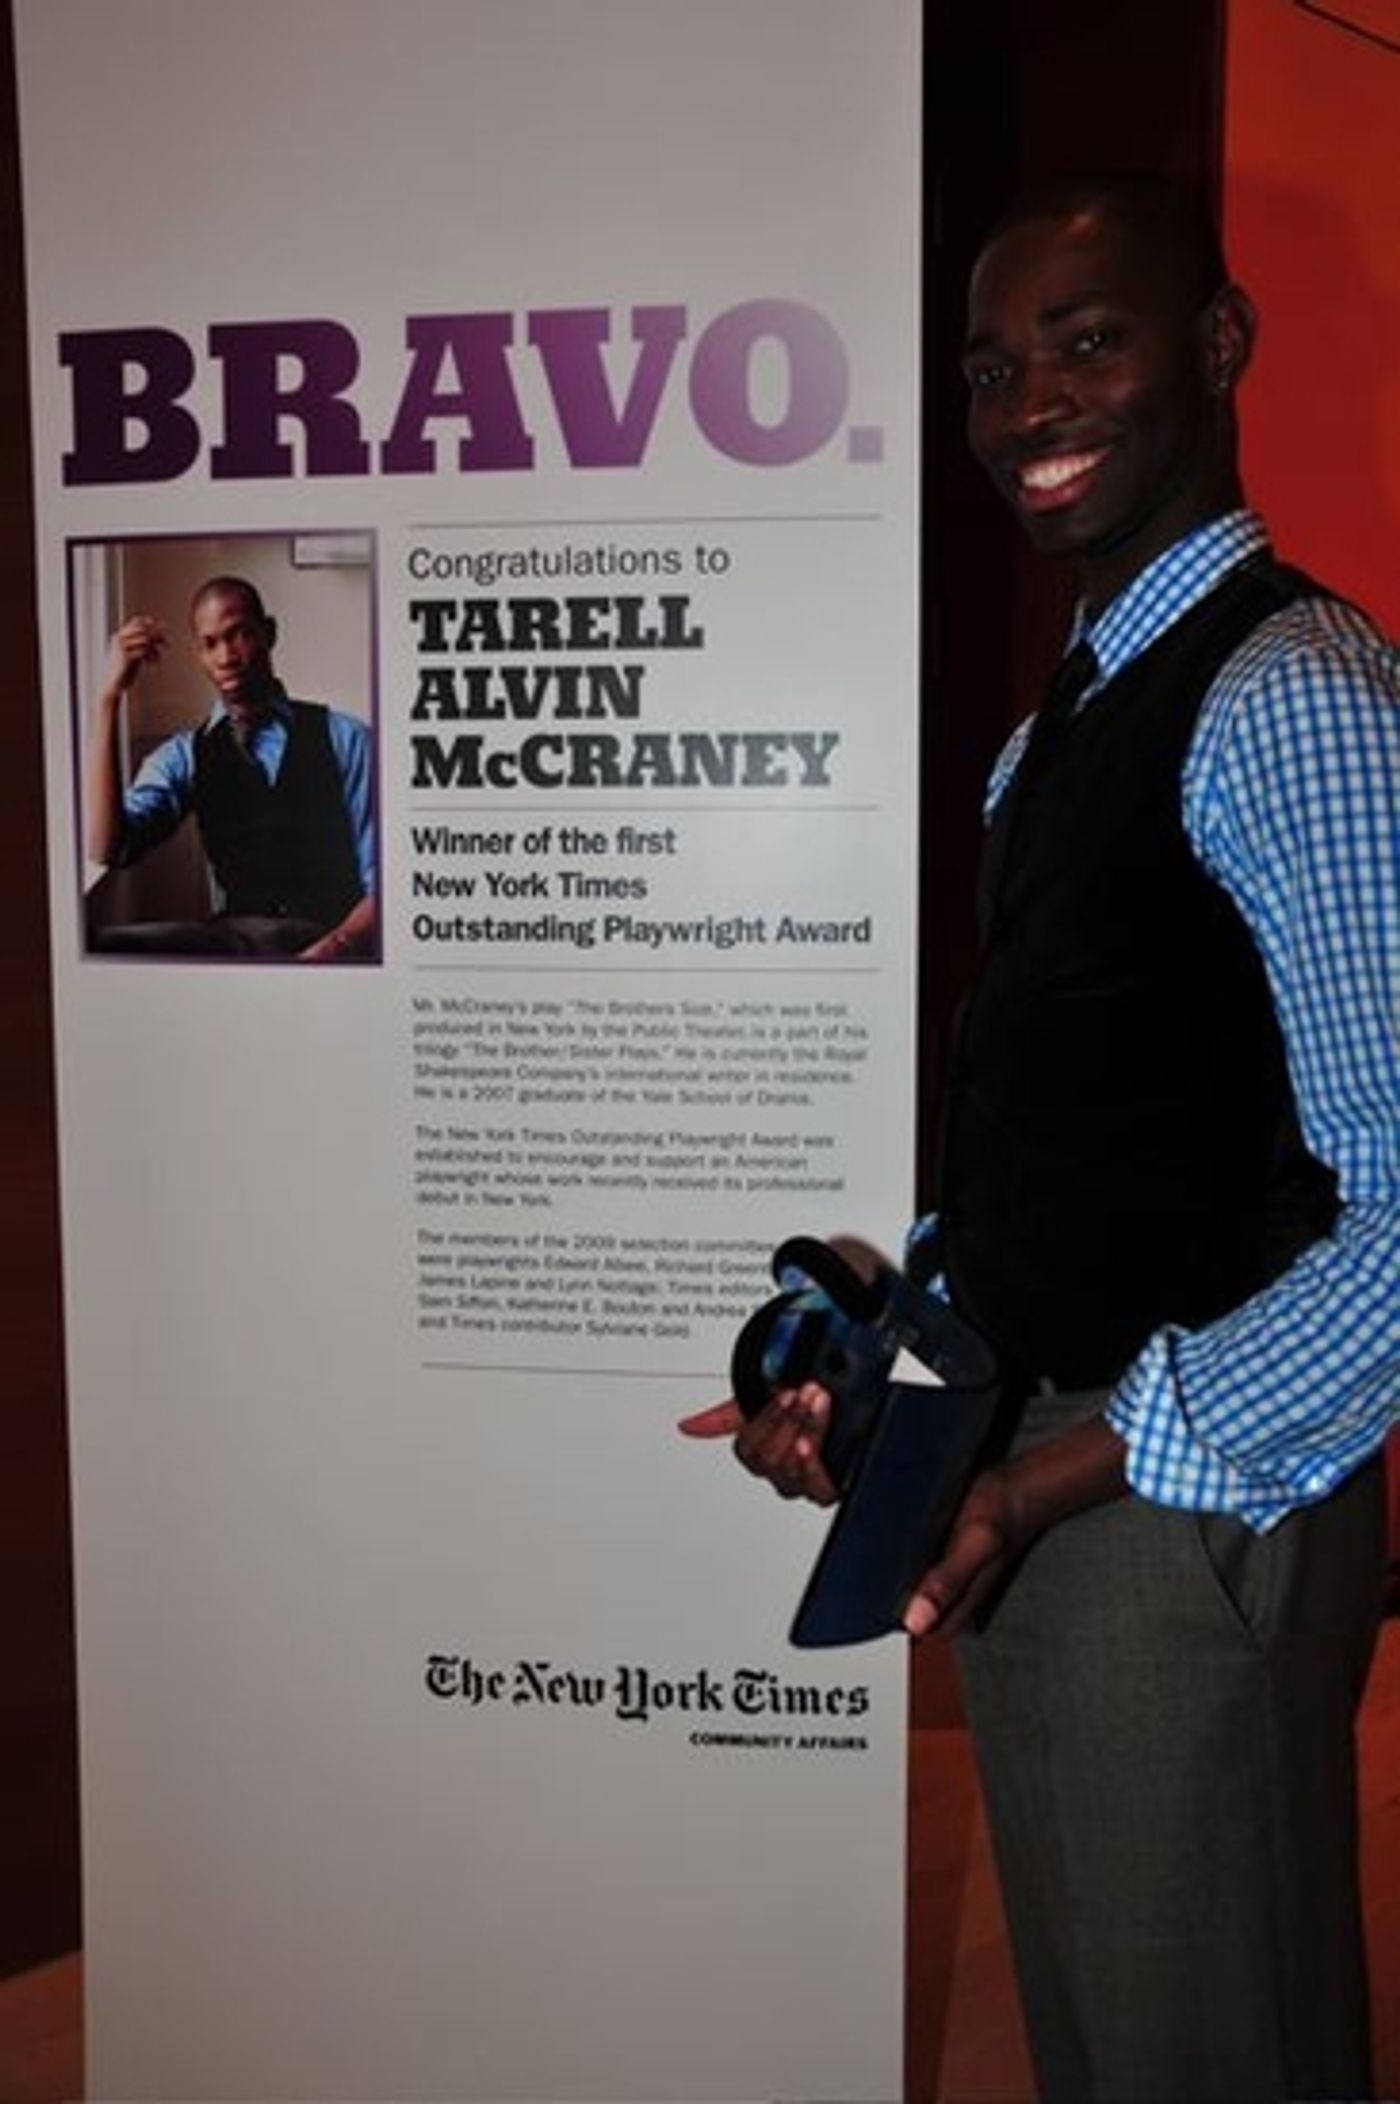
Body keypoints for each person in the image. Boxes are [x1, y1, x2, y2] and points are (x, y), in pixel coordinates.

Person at [682, 173, 1399, 2102]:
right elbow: (1086, 1134)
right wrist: (887, 1374)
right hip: (1063, 1483)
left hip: (1185, 1515)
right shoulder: (1054, 728)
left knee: (1205, 2050)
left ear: (1223, 346)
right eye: (993, 368)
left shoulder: (1299, 702)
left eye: (1090, 342)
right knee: (1116, 2046)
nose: (1029, 408)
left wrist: (1077, 1465)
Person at [86, 574, 376, 959]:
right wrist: (109, 699)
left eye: (239, 634)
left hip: (331, 940)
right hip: (235, 947)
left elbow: (387, 880)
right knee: (98, 946)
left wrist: (336, 946)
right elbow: (108, 848)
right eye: (209, 644)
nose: (226, 658)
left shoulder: (347, 739)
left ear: (269, 634)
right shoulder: (186, 754)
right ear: (199, 655)